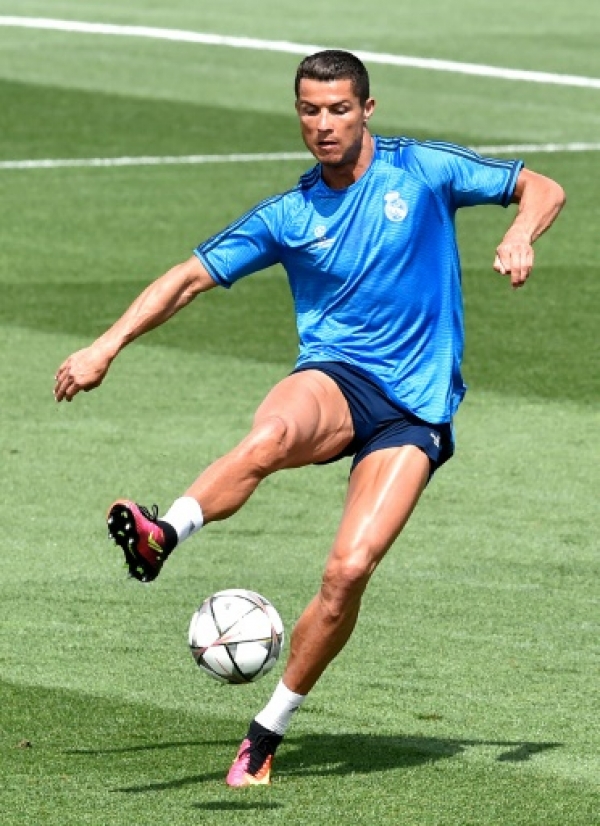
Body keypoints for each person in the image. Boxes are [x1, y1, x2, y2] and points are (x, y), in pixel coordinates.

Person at [54, 49, 565, 787]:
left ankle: (265, 733)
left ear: (367, 110)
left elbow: (540, 185)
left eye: (337, 110)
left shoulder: (422, 170)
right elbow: (189, 278)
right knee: (271, 436)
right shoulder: (289, 215)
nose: (323, 125)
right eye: (309, 111)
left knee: (348, 569)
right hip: (336, 377)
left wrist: (521, 233)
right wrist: (105, 345)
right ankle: (165, 536)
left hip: (413, 409)